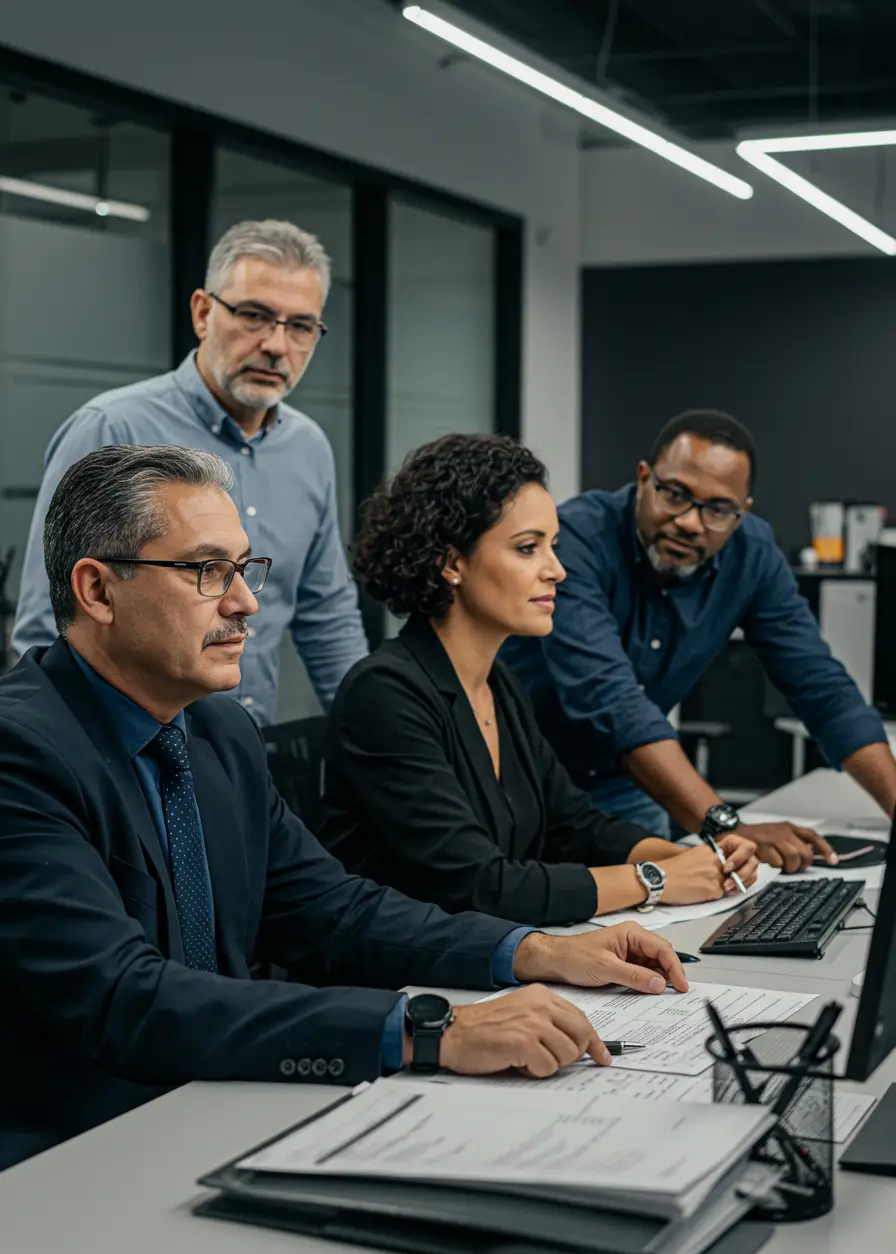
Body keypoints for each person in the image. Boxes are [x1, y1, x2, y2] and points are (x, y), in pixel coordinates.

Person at [0, 443, 689, 1171]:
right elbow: (126, 999)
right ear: (98, 592)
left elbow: (337, 910)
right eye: (207, 571)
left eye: (243, 569)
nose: (245, 601)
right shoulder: (21, 750)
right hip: (73, 1149)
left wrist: (531, 951)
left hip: (217, 1102)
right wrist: (429, 1029)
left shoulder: (218, 730)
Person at [319, 434, 757, 926]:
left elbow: (574, 825)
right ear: (451, 562)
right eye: (528, 549)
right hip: (403, 986)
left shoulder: (498, 685)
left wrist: (692, 858)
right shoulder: (384, 695)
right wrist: (655, 880)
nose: (557, 571)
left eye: (554, 547)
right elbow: (481, 885)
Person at [502, 410, 896, 871]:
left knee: (670, 924)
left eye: (717, 509)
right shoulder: (576, 539)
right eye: (676, 495)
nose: (690, 522)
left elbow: (821, 687)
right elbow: (610, 701)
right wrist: (727, 827)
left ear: (741, 511)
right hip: (519, 781)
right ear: (645, 478)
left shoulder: (752, 554)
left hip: (625, 785)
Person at [12, 218, 367, 722]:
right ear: (203, 313)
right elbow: (51, 627)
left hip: (251, 755)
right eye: (254, 315)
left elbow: (328, 616)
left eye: (300, 326)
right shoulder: (112, 427)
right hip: (134, 760)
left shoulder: (309, 447)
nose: (275, 344)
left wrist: (375, 748)